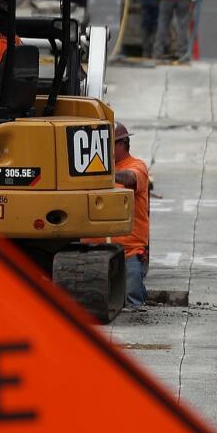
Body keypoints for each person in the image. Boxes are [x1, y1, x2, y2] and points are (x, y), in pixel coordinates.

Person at [85, 123, 150, 306]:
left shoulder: (137, 166)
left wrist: (105, 173)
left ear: (122, 144)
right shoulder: (88, 168)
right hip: (94, 249)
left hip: (128, 250)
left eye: (107, 144)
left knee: (132, 298)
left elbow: (131, 178)